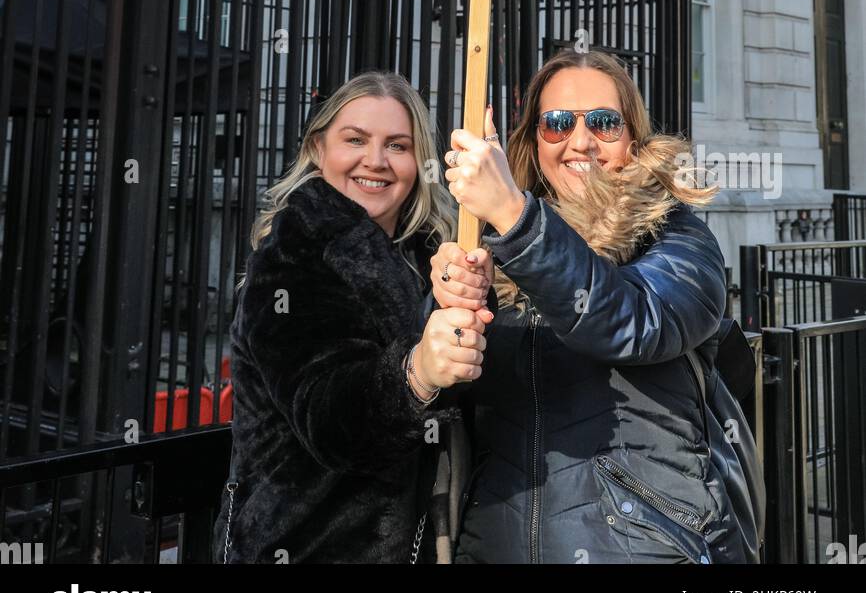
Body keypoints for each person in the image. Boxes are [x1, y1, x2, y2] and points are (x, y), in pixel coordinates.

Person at [431, 50, 755, 564]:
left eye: (604, 123)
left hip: (642, 548)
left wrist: (515, 216)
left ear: (632, 136)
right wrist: (449, 297)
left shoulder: (674, 236)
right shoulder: (498, 247)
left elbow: (635, 323)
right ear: (534, 143)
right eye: (556, 124)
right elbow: (440, 392)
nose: (580, 141)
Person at [212, 70, 492, 564]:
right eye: (355, 140)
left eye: (398, 145)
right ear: (319, 149)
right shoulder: (293, 259)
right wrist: (417, 372)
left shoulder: (427, 258)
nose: (376, 161)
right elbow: (331, 423)